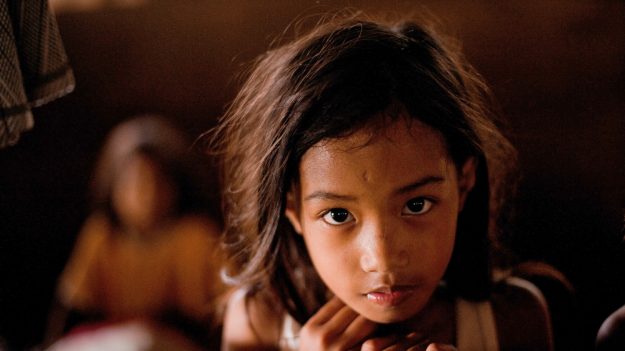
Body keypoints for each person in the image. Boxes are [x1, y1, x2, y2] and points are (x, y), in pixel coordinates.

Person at [209, 13, 553, 350]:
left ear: (464, 183)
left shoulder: (514, 322)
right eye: (338, 215)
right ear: (293, 208)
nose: (384, 259)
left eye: (416, 205)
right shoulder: (258, 325)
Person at [48, 115, 224, 349]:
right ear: (113, 186)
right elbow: (74, 310)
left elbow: (218, 314)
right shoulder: (101, 236)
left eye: (158, 182)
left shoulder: (195, 236)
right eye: (135, 183)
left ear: (177, 184)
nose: (147, 196)